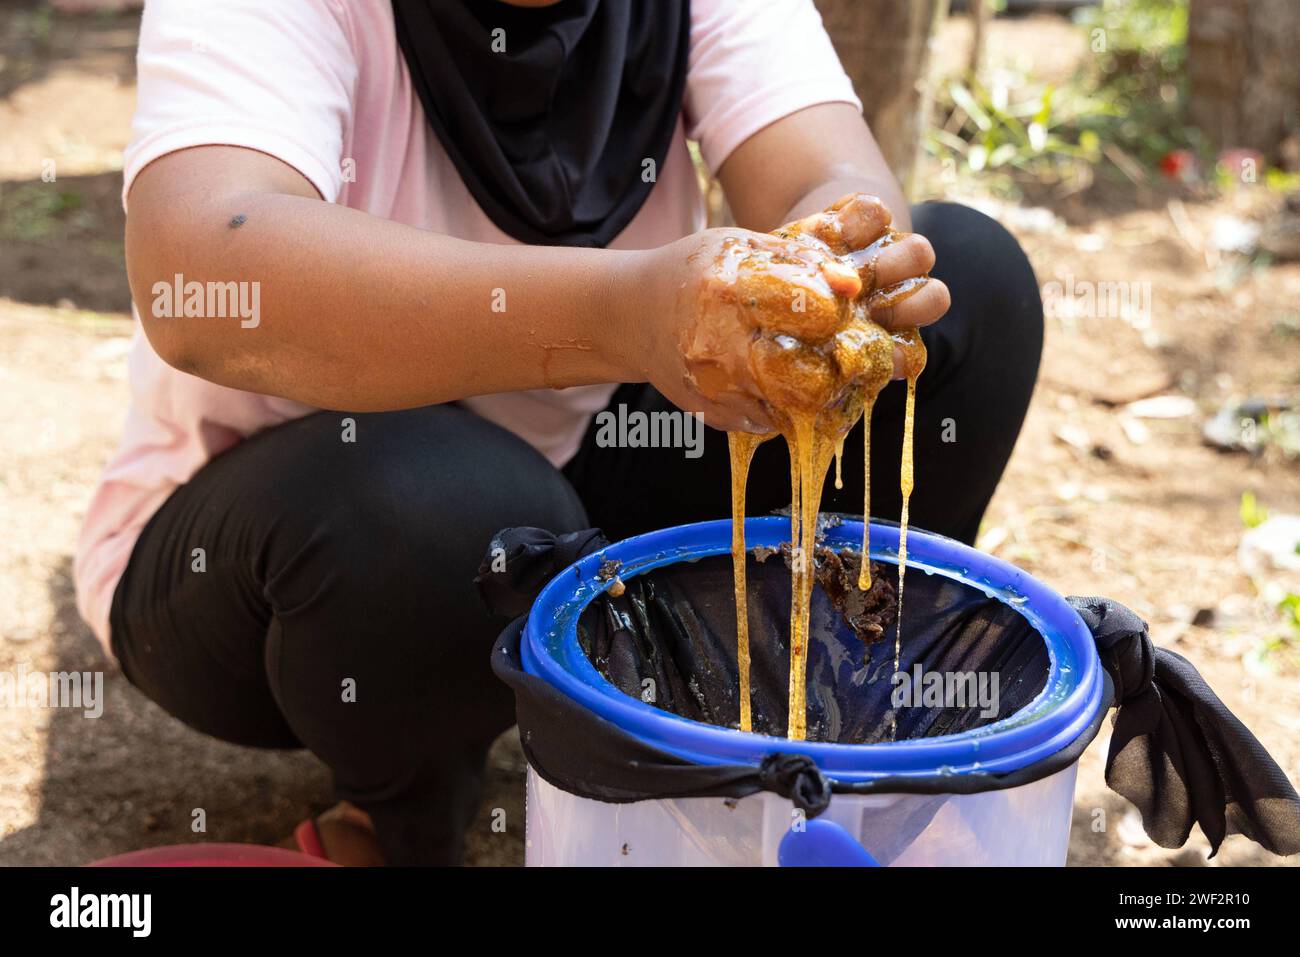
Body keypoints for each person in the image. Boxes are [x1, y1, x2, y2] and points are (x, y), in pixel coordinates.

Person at [75, 0, 1042, 865]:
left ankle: (810, 748)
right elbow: (199, 270)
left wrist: (829, 277)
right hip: (289, 552)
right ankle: (395, 818)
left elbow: (828, 174)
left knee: (963, 287)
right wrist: (627, 314)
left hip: (572, 478)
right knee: (449, 505)